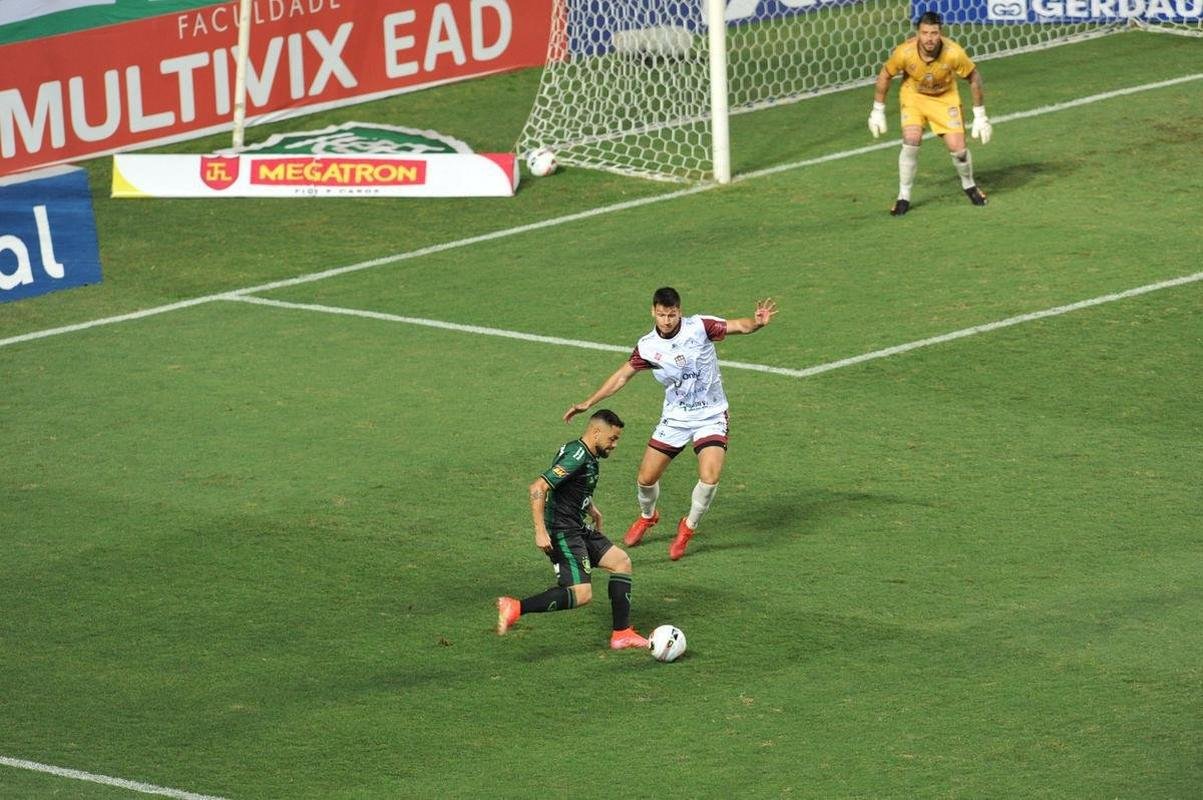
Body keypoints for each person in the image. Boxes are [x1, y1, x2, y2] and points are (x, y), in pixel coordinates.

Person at [564, 287, 777, 561]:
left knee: (710, 478)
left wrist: (756, 323)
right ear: (653, 311)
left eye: (672, 314)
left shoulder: (700, 327)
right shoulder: (648, 346)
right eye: (662, 314)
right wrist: (588, 402)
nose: (667, 320)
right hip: (675, 418)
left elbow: (738, 326)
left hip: (711, 415)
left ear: (680, 312)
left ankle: (688, 527)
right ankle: (648, 516)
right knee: (645, 479)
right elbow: (621, 376)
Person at [496, 409, 648, 649]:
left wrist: (590, 507)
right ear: (596, 432)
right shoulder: (577, 457)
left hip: (577, 526)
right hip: (563, 531)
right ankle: (515, 607)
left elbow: (569, 487)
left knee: (622, 562)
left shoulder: (582, 452)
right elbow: (538, 487)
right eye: (612, 438)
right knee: (582, 593)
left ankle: (622, 633)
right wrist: (540, 530)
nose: (615, 445)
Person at [868, 10, 993, 216]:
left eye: (934, 33)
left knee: (959, 151)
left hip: (945, 98)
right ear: (918, 33)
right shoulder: (904, 52)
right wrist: (877, 110)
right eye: (925, 33)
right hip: (914, 97)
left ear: (940, 32)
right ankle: (903, 196)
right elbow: (885, 75)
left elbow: (974, 78)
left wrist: (980, 115)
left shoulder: (953, 52)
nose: (930, 38)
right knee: (911, 141)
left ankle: (969, 185)